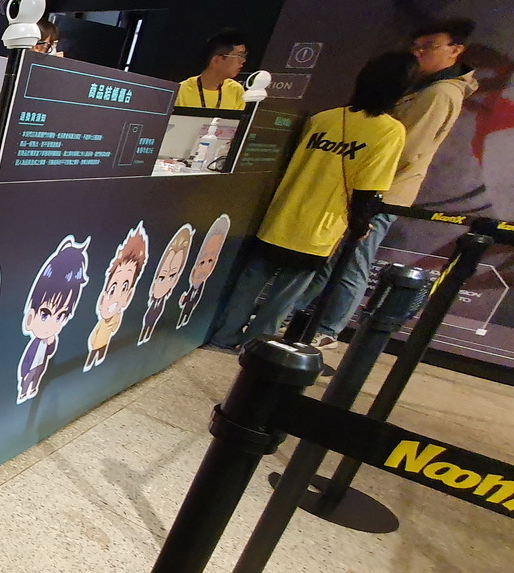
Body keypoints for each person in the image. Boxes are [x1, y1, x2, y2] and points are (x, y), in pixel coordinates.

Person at [208, 53, 417, 352]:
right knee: (286, 295)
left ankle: (224, 336)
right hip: (320, 228)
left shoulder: (324, 118)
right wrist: (360, 224)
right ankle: (255, 346)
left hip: (281, 215)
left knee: (249, 282)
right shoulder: (389, 131)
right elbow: (368, 188)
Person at [294, 19, 479, 349]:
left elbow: (406, 149)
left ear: (455, 50)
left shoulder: (439, 92)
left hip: (382, 191)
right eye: (416, 47)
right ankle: (303, 316)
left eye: (429, 47)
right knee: (337, 256)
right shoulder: (423, 86)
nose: (418, 53)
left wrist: (367, 184)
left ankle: (328, 328)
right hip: (371, 186)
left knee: (353, 260)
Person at [19, 235, 89, 404]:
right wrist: (23, 373)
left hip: (40, 366)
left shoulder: (48, 340)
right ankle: (24, 389)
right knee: (29, 377)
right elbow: (27, 359)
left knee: (36, 376)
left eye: (60, 316)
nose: (51, 324)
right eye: (45, 314)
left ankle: (31, 388)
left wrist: (51, 342)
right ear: (32, 315)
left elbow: (49, 352)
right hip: (31, 366)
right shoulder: (35, 343)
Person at [85, 223, 149, 371]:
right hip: (96, 342)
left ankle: (96, 365)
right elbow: (95, 333)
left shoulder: (115, 318)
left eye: (124, 288)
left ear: (129, 295)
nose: (116, 298)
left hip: (103, 342)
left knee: (100, 353)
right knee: (93, 355)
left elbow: (114, 326)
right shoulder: (102, 321)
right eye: (113, 289)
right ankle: (91, 363)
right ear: (103, 296)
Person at [138, 223, 192, 345]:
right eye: (162, 277)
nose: (165, 283)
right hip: (147, 317)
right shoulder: (147, 299)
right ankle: (143, 336)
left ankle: (145, 336)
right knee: (147, 324)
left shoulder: (162, 303)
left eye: (172, 276)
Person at [174, 29, 249, 110]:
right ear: (217, 60)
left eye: (244, 56)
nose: (243, 61)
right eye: (239, 56)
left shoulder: (236, 90)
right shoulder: (181, 91)